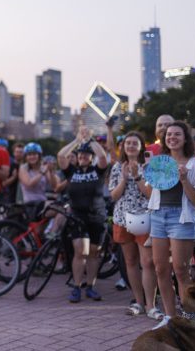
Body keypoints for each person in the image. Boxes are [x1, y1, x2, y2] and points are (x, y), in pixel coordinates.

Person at [148, 121, 195, 327]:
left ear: (186, 139)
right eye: (168, 135)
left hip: (181, 219)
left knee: (181, 269)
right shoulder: (159, 163)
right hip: (158, 215)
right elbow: (151, 192)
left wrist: (184, 180)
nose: (172, 137)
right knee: (160, 268)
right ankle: (170, 317)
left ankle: (191, 316)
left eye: (177, 134)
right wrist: (139, 177)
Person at [108, 132, 159, 319]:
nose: (130, 146)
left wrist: (137, 176)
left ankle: (151, 305)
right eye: (127, 143)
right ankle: (137, 301)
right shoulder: (116, 167)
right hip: (122, 219)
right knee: (130, 261)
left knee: (148, 262)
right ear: (123, 146)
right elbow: (113, 196)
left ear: (141, 146)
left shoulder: (149, 167)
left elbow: (150, 195)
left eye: (134, 143)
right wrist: (123, 178)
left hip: (144, 219)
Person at [57, 126, 108, 302]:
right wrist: (77, 141)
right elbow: (61, 156)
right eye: (80, 155)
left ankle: (91, 286)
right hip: (77, 215)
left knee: (94, 253)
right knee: (80, 251)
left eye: (86, 155)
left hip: (97, 215)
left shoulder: (98, 171)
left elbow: (102, 157)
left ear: (91, 157)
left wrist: (90, 140)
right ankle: (77, 287)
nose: (82, 156)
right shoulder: (72, 171)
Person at [18, 142, 58, 220]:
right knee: (60, 209)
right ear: (25, 157)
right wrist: (41, 173)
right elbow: (29, 184)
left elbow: (54, 186)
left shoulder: (43, 168)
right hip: (31, 204)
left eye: (34, 154)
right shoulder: (23, 168)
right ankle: (54, 231)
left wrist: (51, 171)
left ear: (39, 155)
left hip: (43, 202)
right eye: (29, 155)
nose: (32, 157)